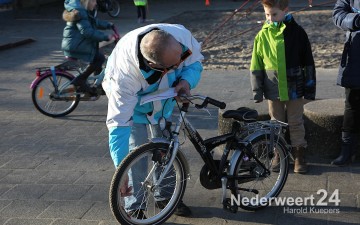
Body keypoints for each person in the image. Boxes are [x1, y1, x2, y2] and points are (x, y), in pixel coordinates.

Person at [102, 23, 204, 217]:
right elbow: (118, 127)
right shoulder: (122, 78)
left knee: (167, 148)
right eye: (173, 67)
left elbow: (194, 63)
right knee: (135, 152)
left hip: (163, 103)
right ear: (155, 66)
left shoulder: (179, 37)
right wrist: (120, 172)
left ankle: (166, 195)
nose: (178, 66)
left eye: (178, 58)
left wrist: (186, 81)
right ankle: (135, 206)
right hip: (135, 106)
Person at [249, 0, 316, 173]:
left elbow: (308, 61)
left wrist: (310, 87)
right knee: (275, 123)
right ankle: (278, 153)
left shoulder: (298, 33)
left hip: (295, 87)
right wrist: (257, 90)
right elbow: (256, 64)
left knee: (295, 122)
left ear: (286, 10)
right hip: (273, 88)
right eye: (267, 15)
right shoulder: (262, 35)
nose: (270, 19)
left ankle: (299, 154)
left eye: (274, 14)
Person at [61, 0, 116, 96]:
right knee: (99, 59)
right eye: (94, 1)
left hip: (76, 44)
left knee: (99, 57)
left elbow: (93, 22)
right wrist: (106, 37)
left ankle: (97, 85)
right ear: (87, 1)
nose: (96, 4)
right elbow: (87, 32)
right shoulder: (80, 12)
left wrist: (108, 25)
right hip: (76, 46)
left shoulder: (81, 10)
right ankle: (80, 80)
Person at [331, 0, 360, 166]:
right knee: (351, 104)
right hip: (356, 56)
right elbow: (337, 14)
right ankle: (347, 150)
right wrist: (355, 19)